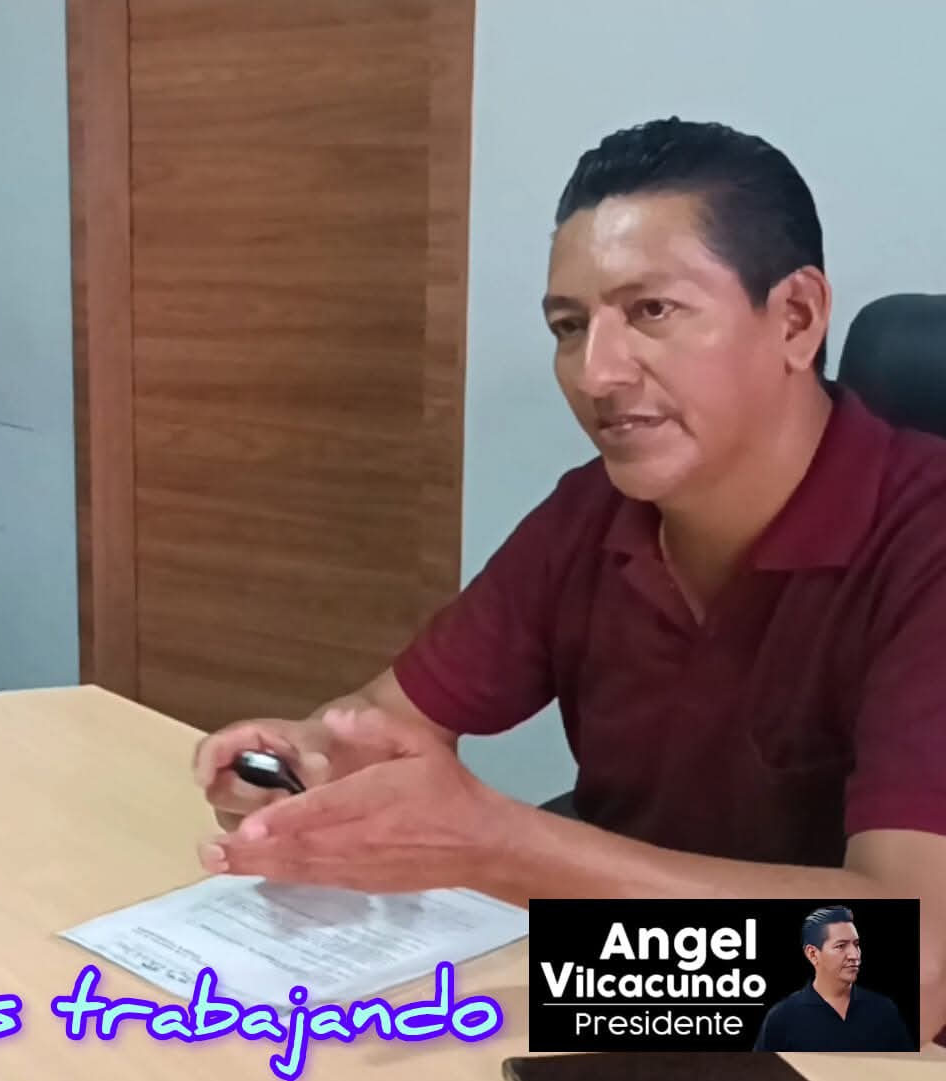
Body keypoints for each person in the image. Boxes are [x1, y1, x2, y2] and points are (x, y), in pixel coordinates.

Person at [190, 118, 946, 1042]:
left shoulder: (926, 541)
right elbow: (384, 725)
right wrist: (312, 771)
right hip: (641, 1009)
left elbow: (909, 975)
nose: (596, 373)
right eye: (570, 325)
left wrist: (504, 850)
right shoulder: (594, 510)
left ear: (796, 318)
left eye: (652, 310)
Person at [754, 906, 914, 1051]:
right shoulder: (782, 1018)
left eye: (856, 944)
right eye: (841, 946)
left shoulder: (884, 1011)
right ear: (813, 954)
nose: (854, 955)